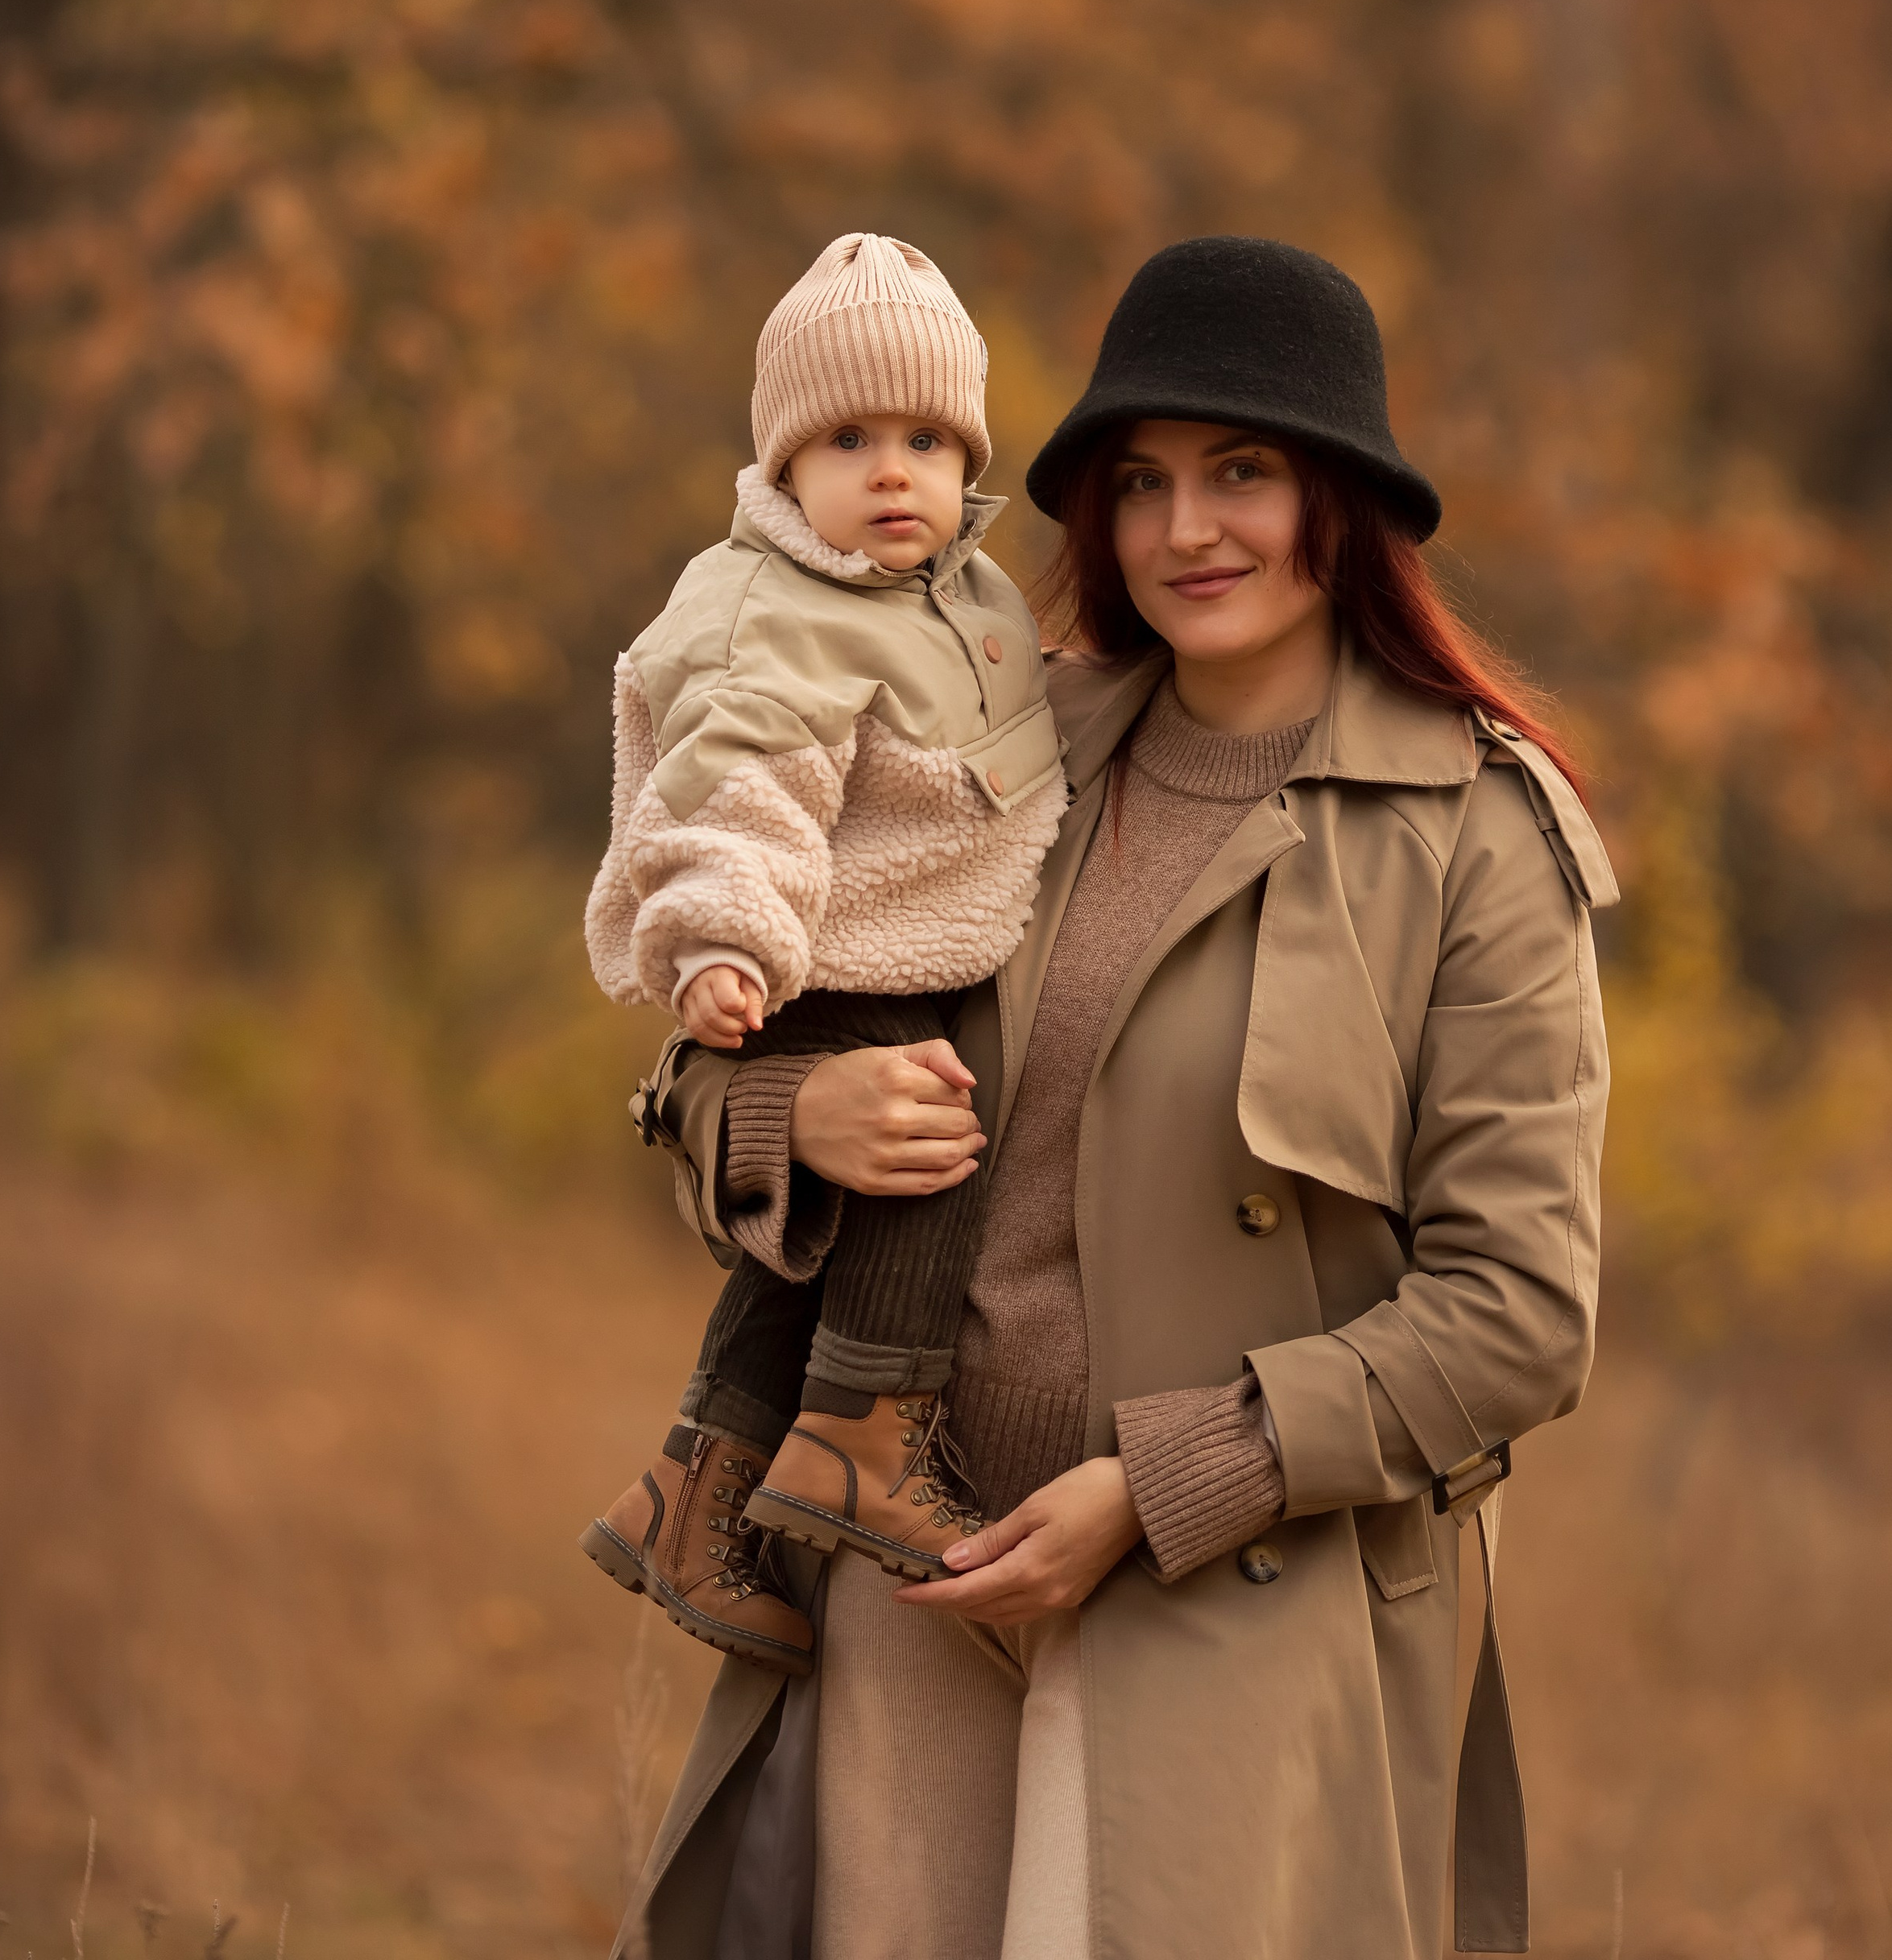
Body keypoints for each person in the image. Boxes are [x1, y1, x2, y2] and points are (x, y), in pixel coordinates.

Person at [617, 234, 1615, 1960]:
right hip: (906, 1570)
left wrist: (1161, 1485)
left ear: (1343, 501)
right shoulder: (993, 750)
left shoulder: (1473, 833)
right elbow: (700, 1075)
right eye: (1137, 483)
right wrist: (796, 1122)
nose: (1182, 532)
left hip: (1229, 1603)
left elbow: (1518, 1314)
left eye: (1242, 473)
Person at [578, 232, 1066, 1674]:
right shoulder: (770, 614)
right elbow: (736, 789)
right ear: (782, 469)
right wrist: (725, 937)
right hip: (808, 958)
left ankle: (697, 1484)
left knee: (801, 1262)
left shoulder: (957, 596)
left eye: (927, 438)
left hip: (872, 946)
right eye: (849, 439)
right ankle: (866, 1433)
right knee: (927, 1157)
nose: (896, 470)